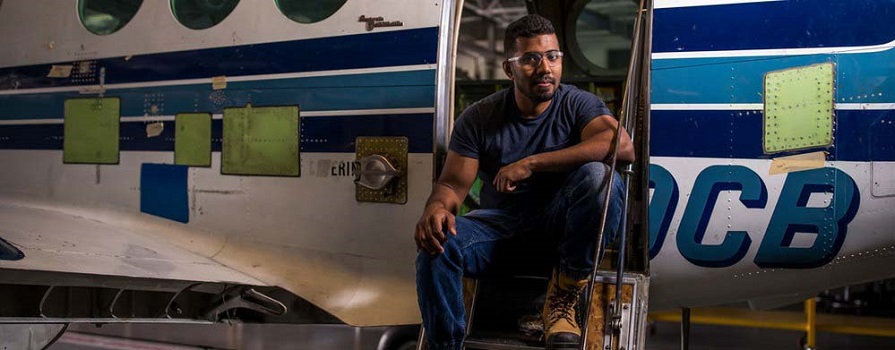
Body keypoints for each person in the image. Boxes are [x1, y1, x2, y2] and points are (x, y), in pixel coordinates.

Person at [414, 14, 635, 350]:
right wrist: (435, 209)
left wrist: (532, 163)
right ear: (509, 69)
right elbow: (452, 187)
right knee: (436, 244)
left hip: (562, 235)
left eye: (553, 56)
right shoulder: (480, 117)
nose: (545, 67)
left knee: (600, 177)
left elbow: (621, 145)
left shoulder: (576, 103)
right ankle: (445, 345)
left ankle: (563, 298)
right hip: (500, 232)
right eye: (531, 59)